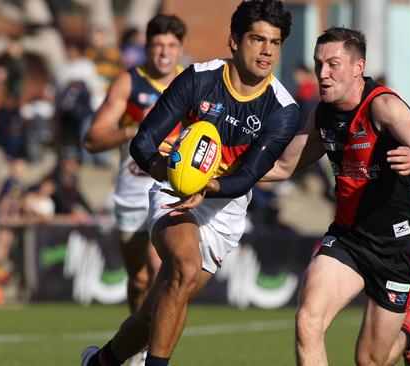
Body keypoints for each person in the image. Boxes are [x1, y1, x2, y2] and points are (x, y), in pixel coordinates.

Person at [80, 1, 300, 365]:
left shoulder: (283, 110)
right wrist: (172, 173)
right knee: (182, 267)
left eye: (274, 43)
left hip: (224, 211)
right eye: (257, 39)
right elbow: (144, 142)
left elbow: (248, 176)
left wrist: (207, 187)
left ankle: (100, 362)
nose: (266, 51)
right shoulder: (200, 78)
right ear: (234, 41)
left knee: (157, 309)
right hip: (174, 193)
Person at [263, 27, 410, 366]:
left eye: (333, 64)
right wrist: (219, 171)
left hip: (395, 247)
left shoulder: (383, 107)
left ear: (358, 67)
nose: (323, 74)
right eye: (319, 64)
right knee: (307, 322)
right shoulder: (322, 113)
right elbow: (283, 166)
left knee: (369, 360)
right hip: (347, 238)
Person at [83, 13, 188, 366]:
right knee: (139, 279)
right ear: (146, 48)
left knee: (161, 271)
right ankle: (136, 344)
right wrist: (133, 130)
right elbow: (92, 138)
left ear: (180, 49)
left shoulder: (191, 84)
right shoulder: (130, 83)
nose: (164, 52)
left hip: (169, 190)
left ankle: (148, 355)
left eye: (172, 46)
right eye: (158, 45)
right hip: (131, 190)